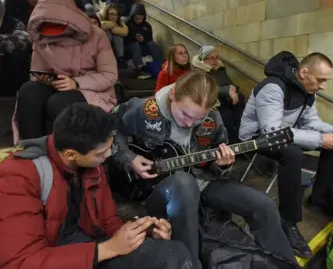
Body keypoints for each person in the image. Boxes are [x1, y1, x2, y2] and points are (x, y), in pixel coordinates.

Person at [111, 70, 298, 269]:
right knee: (184, 181)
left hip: (201, 181)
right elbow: (111, 132)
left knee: (264, 205)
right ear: (173, 94)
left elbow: (213, 161)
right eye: (185, 114)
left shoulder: (213, 119)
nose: (189, 123)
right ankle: (190, 264)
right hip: (155, 189)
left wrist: (222, 164)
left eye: (198, 118)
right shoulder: (144, 110)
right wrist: (129, 159)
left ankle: (287, 266)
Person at [0, 103, 193, 269]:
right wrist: (107, 249)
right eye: (101, 153)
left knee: (172, 252)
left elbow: (109, 222)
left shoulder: (90, 165)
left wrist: (140, 232)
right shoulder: (14, 178)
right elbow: (20, 262)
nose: (108, 156)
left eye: (109, 148)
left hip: (83, 250)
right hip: (48, 259)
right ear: (71, 154)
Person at [239, 51, 333, 258]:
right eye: (321, 80)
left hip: (283, 134)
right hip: (256, 137)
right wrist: (320, 139)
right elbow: (271, 132)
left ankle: (319, 198)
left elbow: (311, 122)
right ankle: (288, 221)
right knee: (292, 154)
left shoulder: (308, 92)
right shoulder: (273, 87)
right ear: (303, 72)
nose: (323, 86)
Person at [12, 0, 118, 144]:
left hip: (92, 89)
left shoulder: (97, 36)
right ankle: (32, 149)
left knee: (58, 103)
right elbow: (37, 72)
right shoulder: (41, 39)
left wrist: (75, 83)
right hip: (57, 87)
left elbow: (109, 75)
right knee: (29, 91)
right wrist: (43, 79)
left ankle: (58, 154)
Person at [192, 45, 245, 144]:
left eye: (216, 57)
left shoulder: (219, 69)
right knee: (227, 115)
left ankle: (241, 140)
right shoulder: (199, 71)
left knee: (239, 113)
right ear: (204, 59)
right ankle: (232, 143)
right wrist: (228, 90)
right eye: (212, 58)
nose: (215, 60)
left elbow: (229, 83)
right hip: (211, 102)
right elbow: (208, 88)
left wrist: (233, 89)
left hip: (225, 99)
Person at [124, 3, 162, 79]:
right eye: (136, 18)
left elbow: (149, 39)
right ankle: (140, 68)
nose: (138, 20)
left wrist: (144, 39)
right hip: (130, 47)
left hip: (143, 46)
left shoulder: (147, 25)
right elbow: (124, 38)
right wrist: (134, 38)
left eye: (140, 18)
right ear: (132, 17)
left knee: (152, 44)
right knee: (135, 45)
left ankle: (160, 65)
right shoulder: (127, 23)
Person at [99, 3, 128, 67]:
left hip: (114, 48)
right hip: (101, 49)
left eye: (115, 14)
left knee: (118, 35)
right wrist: (111, 25)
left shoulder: (120, 20)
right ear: (106, 13)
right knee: (108, 33)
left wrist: (113, 29)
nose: (114, 16)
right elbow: (100, 25)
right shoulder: (99, 16)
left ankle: (120, 59)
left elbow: (125, 32)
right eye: (111, 14)